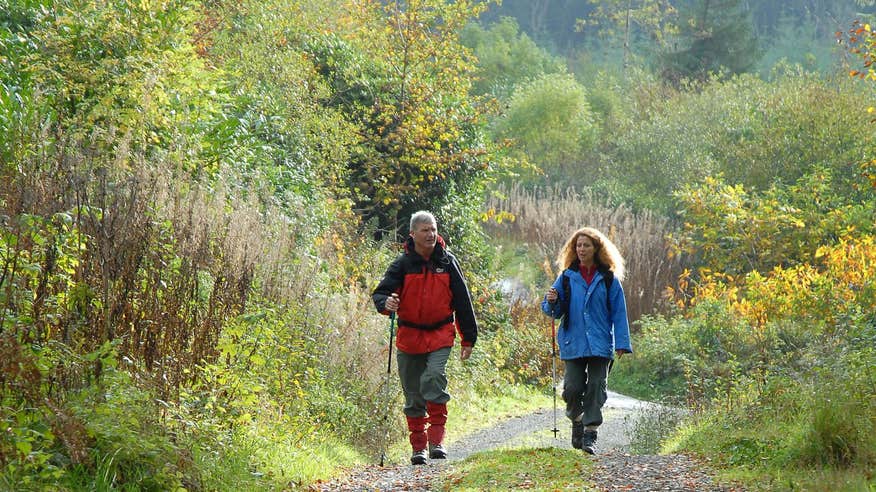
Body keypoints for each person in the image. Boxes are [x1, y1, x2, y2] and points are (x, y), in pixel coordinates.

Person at [372, 210, 478, 465]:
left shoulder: (447, 261)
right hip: (409, 336)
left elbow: (463, 301)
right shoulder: (402, 264)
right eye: (425, 230)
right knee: (413, 393)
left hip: (441, 333)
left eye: (433, 229)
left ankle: (437, 441)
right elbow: (380, 295)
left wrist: (468, 338)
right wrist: (387, 302)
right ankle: (418, 447)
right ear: (413, 234)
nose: (431, 234)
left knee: (433, 377)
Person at [541, 227, 632, 455]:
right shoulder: (567, 277)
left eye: (586, 245)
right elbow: (554, 310)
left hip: (601, 342)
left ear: (596, 248)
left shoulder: (609, 279)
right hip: (573, 341)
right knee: (572, 388)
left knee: (596, 387)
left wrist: (622, 342)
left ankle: (590, 433)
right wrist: (551, 300)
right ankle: (577, 419)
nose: (581, 249)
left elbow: (619, 312)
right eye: (578, 246)